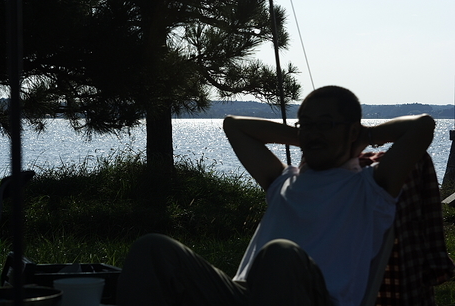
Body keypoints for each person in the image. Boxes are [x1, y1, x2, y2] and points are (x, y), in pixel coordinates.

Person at [116, 85, 435, 306]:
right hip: (245, 296)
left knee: (281, 254)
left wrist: (364, 136)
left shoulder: (372, 187)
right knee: (153, 250)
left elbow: (422, 126)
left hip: (316, 298)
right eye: (306, 124)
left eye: (325, 124)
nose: (313, 132)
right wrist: (306, 136)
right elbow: (234, 126)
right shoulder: (282, 181)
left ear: (352, 130)